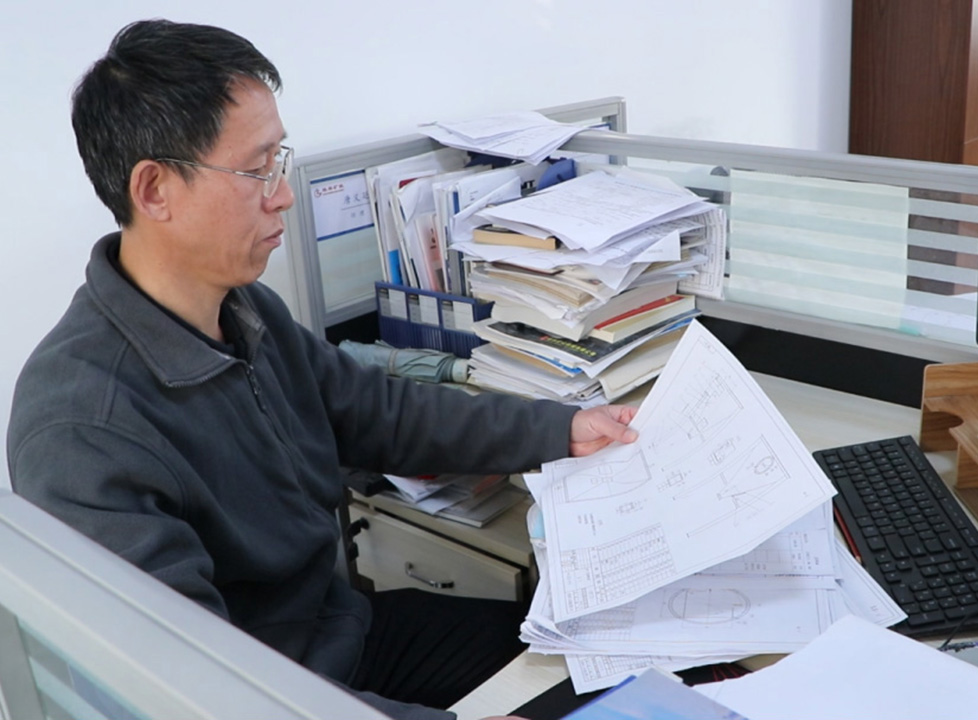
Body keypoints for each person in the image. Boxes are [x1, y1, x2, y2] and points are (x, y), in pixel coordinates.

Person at [6, 19, 637, 720]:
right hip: (275, 693)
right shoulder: (82, 429)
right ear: (155, 190)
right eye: (257, 169)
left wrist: (562, 428)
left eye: (279, 160)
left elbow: (380, 413)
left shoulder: (244, 310)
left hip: (344, 637)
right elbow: (202, 694)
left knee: (594, 662)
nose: (282, 194)